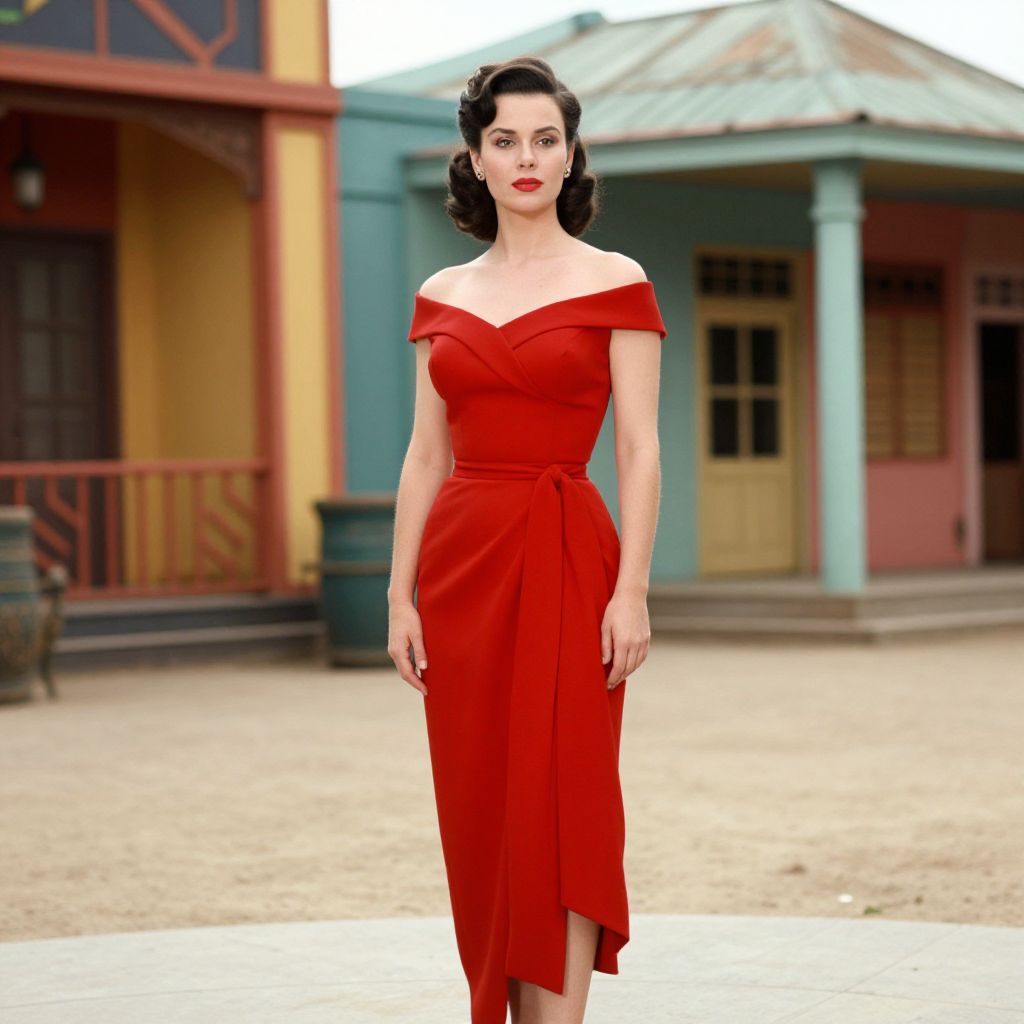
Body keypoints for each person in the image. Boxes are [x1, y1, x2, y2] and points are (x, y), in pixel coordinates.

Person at [388, 55, 667, 1024]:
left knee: (566, 796)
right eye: (504, 140)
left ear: (570, 154)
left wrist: (631, 590)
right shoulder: (441, 293)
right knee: (480, 807)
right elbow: (424, 455)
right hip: (460, 573)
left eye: (546, 139)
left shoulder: (616, 280)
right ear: (475, 156)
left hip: (567, 559)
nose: (526, 157)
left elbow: (639, 449)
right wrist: (398, 596)